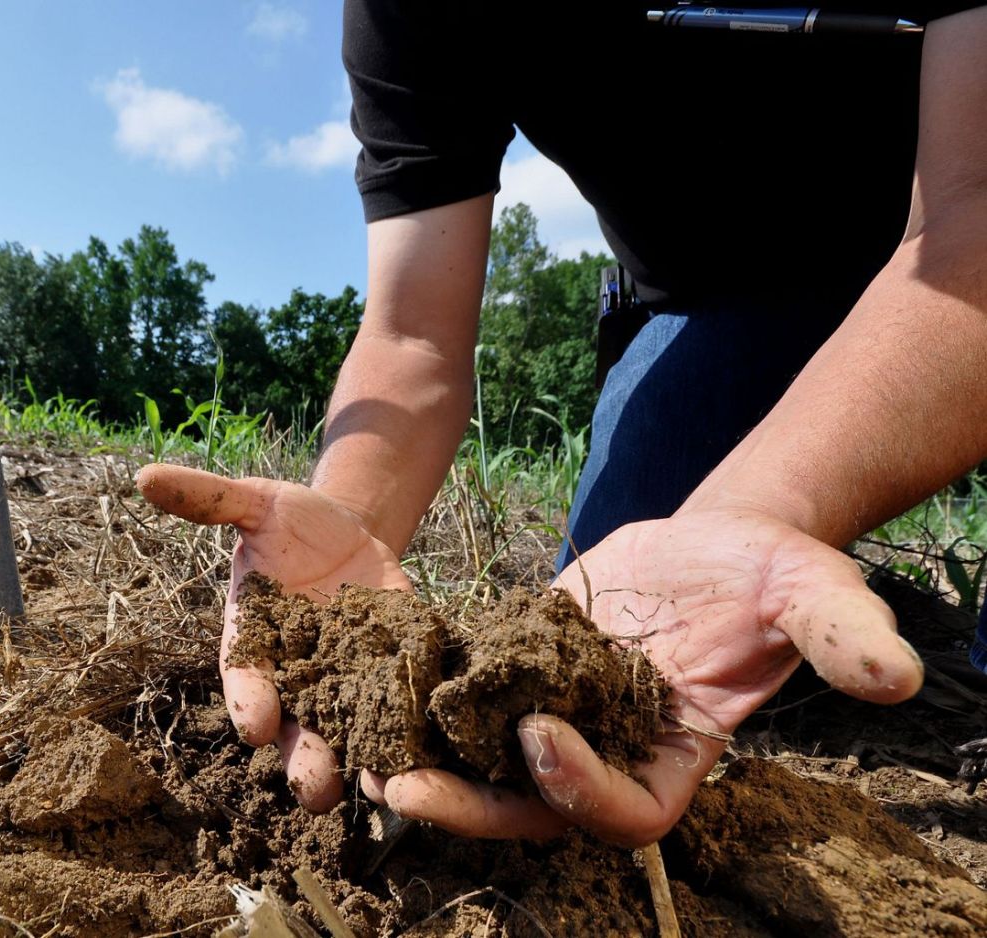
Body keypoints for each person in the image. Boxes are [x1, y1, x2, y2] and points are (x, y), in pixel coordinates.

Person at [136, 2, 987, 848]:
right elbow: (414, 334)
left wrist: (773, 500)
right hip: (719, 299)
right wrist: (346, 530)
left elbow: (970, 223)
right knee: (620, 635)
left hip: (957, 237)